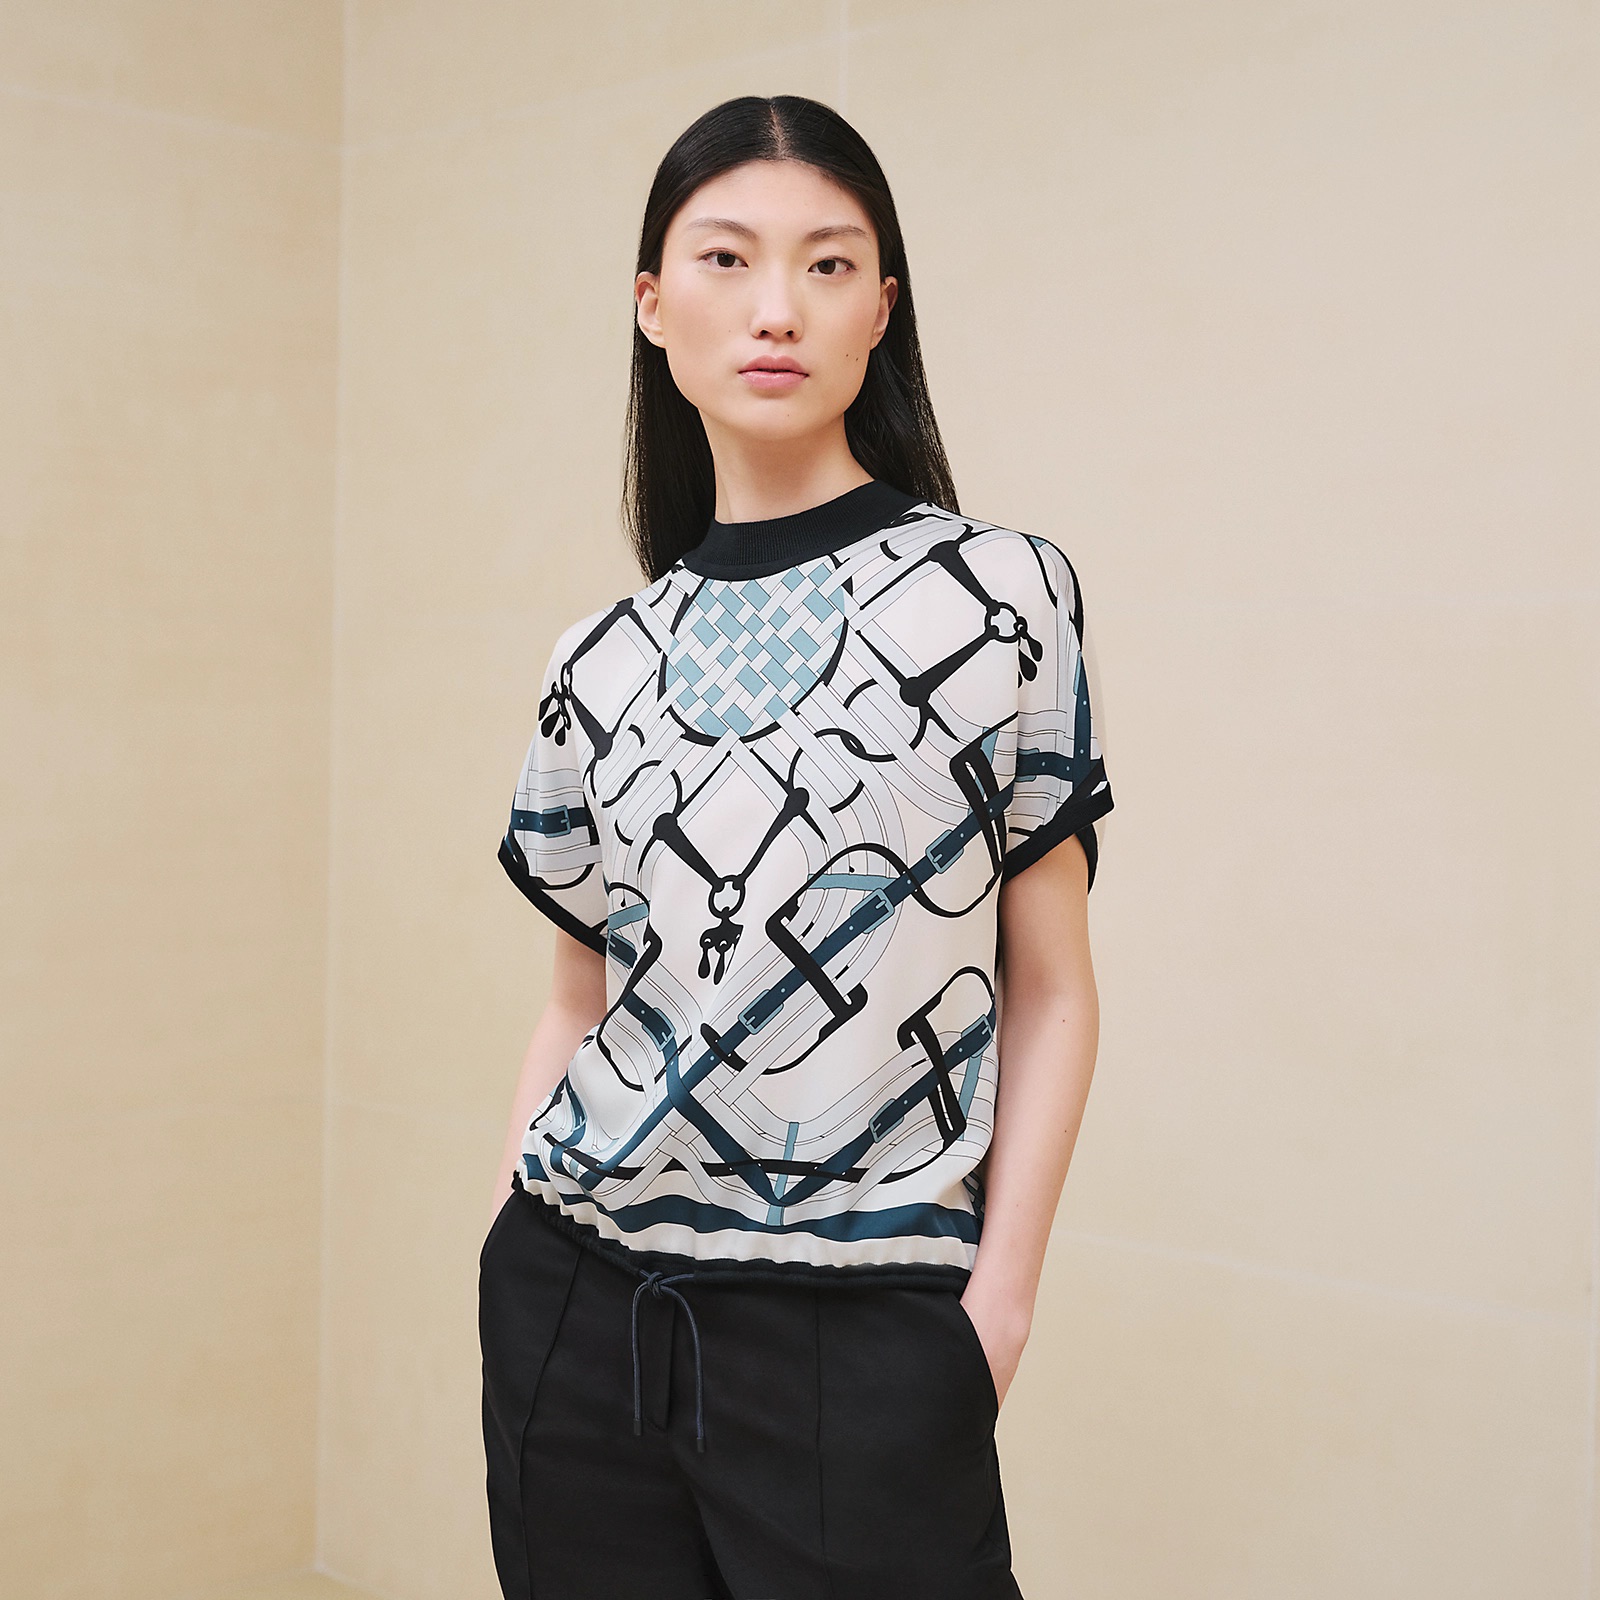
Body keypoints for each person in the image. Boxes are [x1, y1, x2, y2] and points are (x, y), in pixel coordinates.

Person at [478, 93, 1113, 1600]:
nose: (778, 308)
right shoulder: (599, 659)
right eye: (727, 258)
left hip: (865, 1334)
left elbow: (1054, 989)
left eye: (829, 265)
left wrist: (994, 1311)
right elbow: (578, 1000)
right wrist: (510, 1229)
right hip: (579, 1312)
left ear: (882, 310)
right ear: (652, 305)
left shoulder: (997, 602)